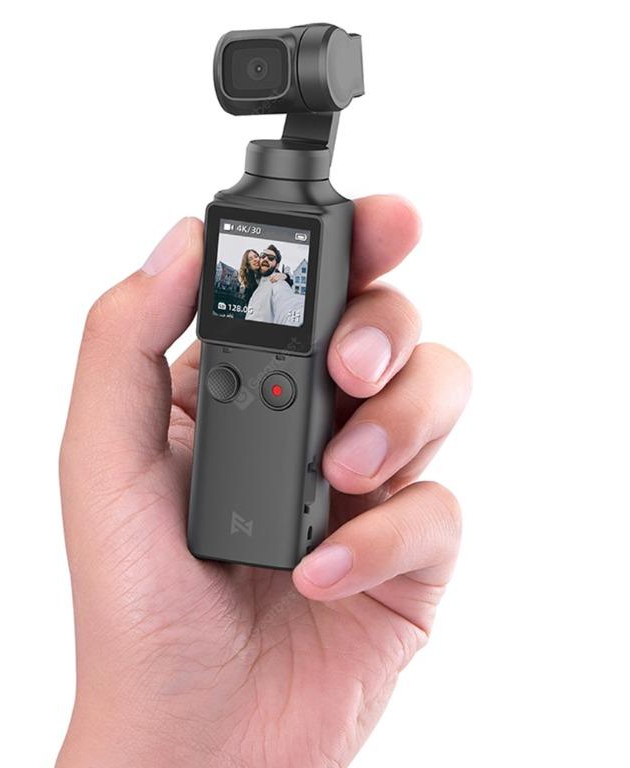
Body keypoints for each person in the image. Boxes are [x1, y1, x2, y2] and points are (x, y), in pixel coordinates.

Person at [56, 195, 472, 768]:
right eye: (264, 256)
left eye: (276, 257)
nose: (268, 261)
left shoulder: (278, 284)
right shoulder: (249, 283)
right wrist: (169, 739)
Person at [245, 244, 305, 325]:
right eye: (263, 256)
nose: (265, 259)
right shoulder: (254, 279)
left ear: (277, 265)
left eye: (271, 258)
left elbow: (287, 303)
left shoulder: (277, 282)